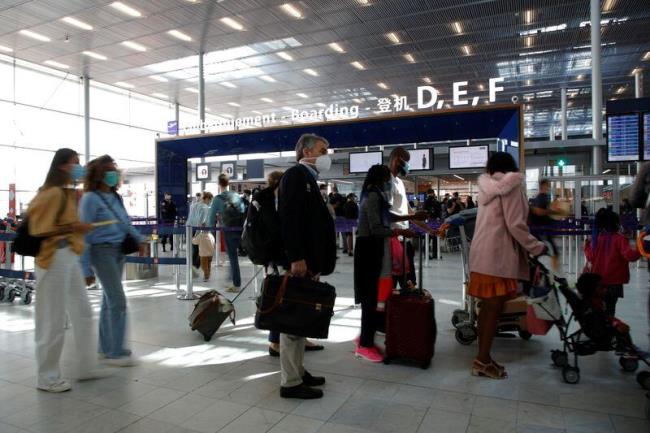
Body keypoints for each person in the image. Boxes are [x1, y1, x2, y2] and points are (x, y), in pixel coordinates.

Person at [29, 148, 107, 392]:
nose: (79, 167)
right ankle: (47, 376)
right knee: (51, 318)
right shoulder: (51, 193)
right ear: (62, 166)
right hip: (53, 258)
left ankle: (85, 366)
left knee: (82, 310)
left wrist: (74, 228)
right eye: (75, 163)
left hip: (69, 254)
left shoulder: (68, 193)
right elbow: (38, 228)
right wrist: (74, 226)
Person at [468, 152, 545, 379]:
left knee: (487, 309)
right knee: (493, 309)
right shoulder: (510, 186)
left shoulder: (486, 188)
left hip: (481, 256)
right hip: (497, 257)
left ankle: (483, 357)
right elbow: (516, 225)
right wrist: (537, 247)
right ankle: (482, 361)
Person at [278, 133, 336, 399]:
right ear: (306, 152)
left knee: (300, 320)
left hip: (310, 262)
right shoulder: (295, 177)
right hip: (299, 262)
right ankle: (290, 382)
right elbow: (289, 219)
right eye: (322, 151)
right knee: (292, 322)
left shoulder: (310, 180)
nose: (326, 156)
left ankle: (298, 371)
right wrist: (296, 256)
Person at [80, 155, 147, 367]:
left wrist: (139, 239)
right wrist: (85, 269)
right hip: (102, 252)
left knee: (109, 301)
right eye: (108, 170)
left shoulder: (115, 197)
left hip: (118, 251)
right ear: (98, 174)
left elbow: (124, 223)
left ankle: (105, 348)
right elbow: (83, 235)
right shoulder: (90, 199)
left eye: (114, 169)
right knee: (117, 300)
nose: (113, 173)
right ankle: (115, 352)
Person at [259, 171, 324, 357]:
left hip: (283, 256)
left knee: (292, 298)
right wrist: (295, 256)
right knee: (282, 299)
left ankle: (299, 337)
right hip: (283, 257)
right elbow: (283, 228)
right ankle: (274, 342)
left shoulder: (276, 198)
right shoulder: (275, 200)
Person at [354, 165, 415, 362]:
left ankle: (365, 335)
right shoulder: (372, 196)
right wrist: (400, 232)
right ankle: (364, 345)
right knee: (370, 298)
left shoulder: (376, 195)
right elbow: (376, 228)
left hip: (373, 248)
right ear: (381, 179)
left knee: (374, 297)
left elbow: (387, 217)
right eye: (388, 179)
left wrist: (410, 217)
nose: (390, 182)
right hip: (369, 249)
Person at [584, 208, 640, 316]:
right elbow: (630, 256)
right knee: (610, 311)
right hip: (614, 284)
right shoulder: (619, 239)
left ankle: (600, 329)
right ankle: (608, 329)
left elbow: (590, 257)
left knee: (599, 310)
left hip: (597, 283)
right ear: (616, 224)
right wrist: (640, 249)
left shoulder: (595, 240)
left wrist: (586, 245)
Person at [387, 147, 429, 288]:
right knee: (390, 285)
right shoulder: (386, 181)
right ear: (397, 159)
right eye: (407, 162)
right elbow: (385, 215)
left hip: (405, 241)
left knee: (409, 284)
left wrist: (429, 229)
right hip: (391, 240)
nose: (408, 166)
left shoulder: (400, 182)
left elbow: (410, 213)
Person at [209, 174, 245, 292]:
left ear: (219, 184)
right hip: (240, 229)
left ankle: (236, 284)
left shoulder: (217, 198)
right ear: (228, 183)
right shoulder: (236, 195)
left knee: (233, 256)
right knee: (236, 255)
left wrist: (211, 232)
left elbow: (211, 217)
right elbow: (243, 210)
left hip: (228, 229)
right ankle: (232, 279)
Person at [529, 179, 560, 270]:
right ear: (542, 186)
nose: (548, 187)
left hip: (541, 230)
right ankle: (552, 268)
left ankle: (540, 267)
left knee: (544, 250)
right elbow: (538, 211)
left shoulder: (542, 197)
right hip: (540, 230)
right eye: (547, 185)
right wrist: (553, 211)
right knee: (547, 249)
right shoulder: (541, 197)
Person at [196, 192, 215, 281]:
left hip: (203, 252)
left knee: (204, 263)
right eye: (210, 200)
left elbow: (200, 221)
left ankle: (205, 276)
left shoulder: (201, 206)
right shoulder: (204, 207)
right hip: (210, 251)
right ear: (207, 199)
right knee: (208, 263)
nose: (210, 202)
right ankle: (207, 275)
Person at [186, 192, 203, 274]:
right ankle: (194, 265)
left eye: (199, 197)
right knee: (195, 248)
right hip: (194, 228)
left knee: (195, 248)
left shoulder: (195, 205)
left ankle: (194, 264)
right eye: (197, 197)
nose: (198, 198)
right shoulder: (194, 205)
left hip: (194, 228)